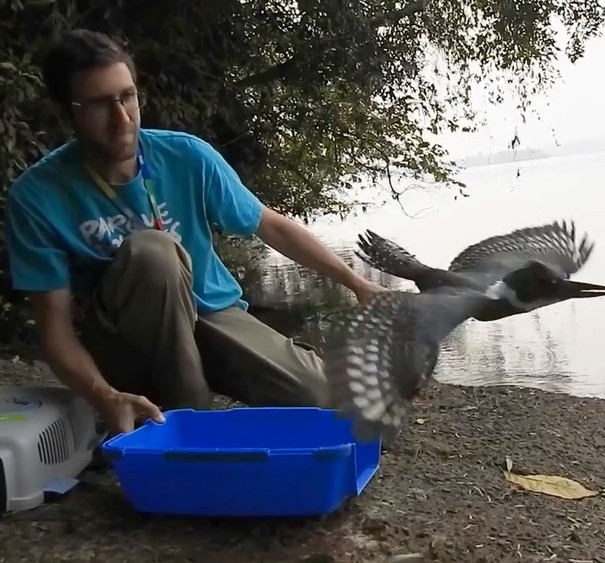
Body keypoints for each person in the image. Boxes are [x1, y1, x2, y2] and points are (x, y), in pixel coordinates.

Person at [3, 29, 387, 435]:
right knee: (154, 251)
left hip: (213, 315)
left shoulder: (185, 155)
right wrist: (103, 394)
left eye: (127, 97)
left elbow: (270, 224)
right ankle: (189, 418)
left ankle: (203, 399)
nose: (122, 119)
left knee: (349, 412)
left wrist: (358, 285)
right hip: (128, 344)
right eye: (100, 105)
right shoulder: (37, 197)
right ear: (66, 113)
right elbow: (55, 329)